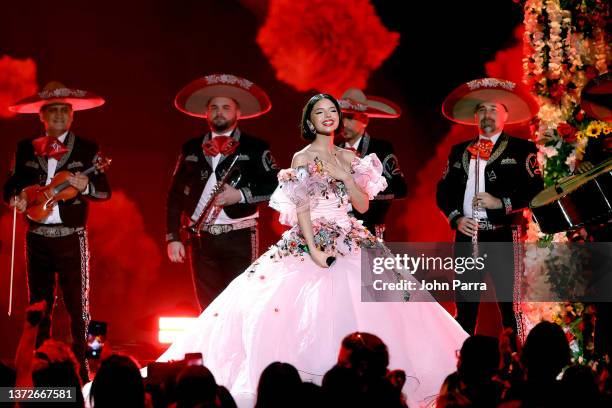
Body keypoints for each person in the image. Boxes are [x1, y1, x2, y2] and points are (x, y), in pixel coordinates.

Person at [154, 94, 468, 407]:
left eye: (332, 111)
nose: (328, 116)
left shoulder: (348, 158)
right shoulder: (302, 158)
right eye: (320, 112)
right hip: (310, 238)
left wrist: (347, 176)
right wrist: (315, 250)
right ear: (310, 120)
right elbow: (301, 206)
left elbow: (362, 205)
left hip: (349, 234)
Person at [3, 81, 111, 383]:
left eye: (65, 111)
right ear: (42, 116)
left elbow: (104, 192)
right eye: (53, 112)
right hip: (36, 237)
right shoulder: (25, 147)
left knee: (80, 309)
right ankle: (40, 374)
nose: (59, 117)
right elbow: (9, 186)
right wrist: (17, 197)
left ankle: (88, 373)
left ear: (73, 115)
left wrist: (86, 185)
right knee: (39, 309)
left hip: (71, 237)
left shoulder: (88, 148)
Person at [436, 78, 543, 341]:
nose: (487, 115)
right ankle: (461, 364)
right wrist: (456, 218)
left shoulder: (522, 149)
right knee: (465, 308)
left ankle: (518, 366)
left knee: (511, 307)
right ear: (475, 116)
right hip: (466, 236)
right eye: (482, 109)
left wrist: (501, 203)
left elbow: (536, 189)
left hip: (503, 235)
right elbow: (444, 191)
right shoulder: (459, 151)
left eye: (493, 109)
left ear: (505, 115)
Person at [166, 74, 279, 311]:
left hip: (239, 237)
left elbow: (276, 186)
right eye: (214, 107)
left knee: (238, 305)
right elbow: (175, 195)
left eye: (226, 107)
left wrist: (240, 195)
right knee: (207, 309)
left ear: (238, 113)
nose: (220, 112)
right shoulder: (190, 147)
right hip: (200, 239)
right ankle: (211, 350)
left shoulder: (256, 147)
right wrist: (173, 237)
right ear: (206, 113)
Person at [338, 88, 407, 239]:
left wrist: (364, 189)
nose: (344, 123)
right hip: (338, 236)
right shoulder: (333, 150)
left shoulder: (380, 149)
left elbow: (400, 188)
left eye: (350, 118)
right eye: (341, 118)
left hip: (370, 233)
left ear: (365, 120)